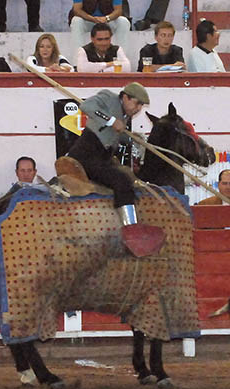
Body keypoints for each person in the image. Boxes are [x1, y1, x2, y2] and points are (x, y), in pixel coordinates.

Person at [66, 82, 164, 257]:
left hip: (102, 155)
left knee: (129, 176)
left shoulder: (124, 116)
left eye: (141, 105)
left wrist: (134, 138)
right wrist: (111, 121)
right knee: (121, 181)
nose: (138, 108)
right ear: (125, 97)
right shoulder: (108, 97)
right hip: (87, 155)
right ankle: (130, 232)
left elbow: (114, 137)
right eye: (137, 103)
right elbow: (86, 105)